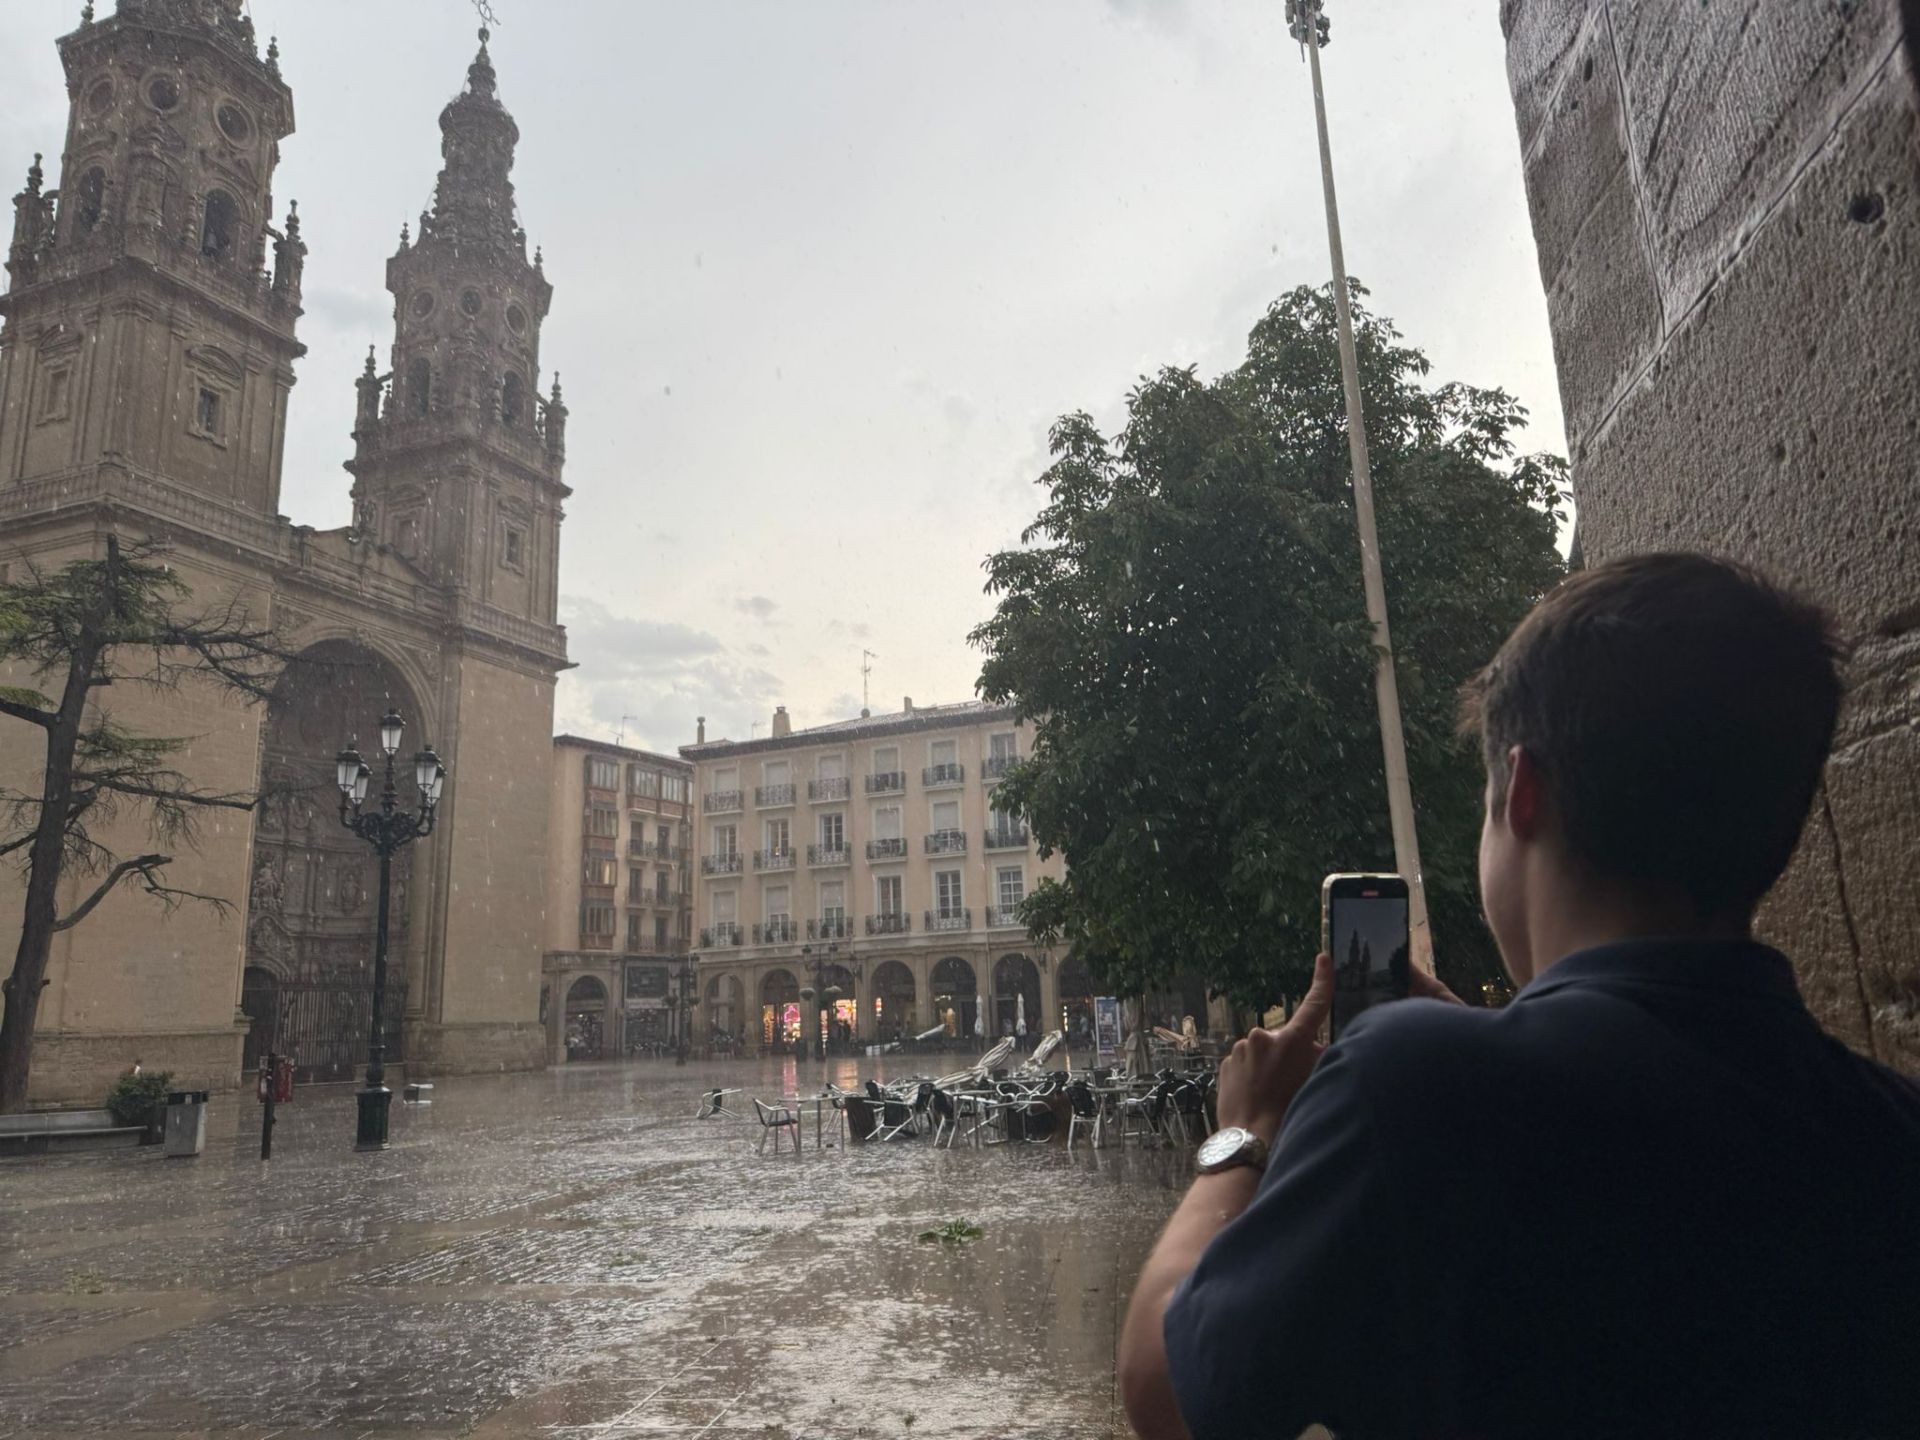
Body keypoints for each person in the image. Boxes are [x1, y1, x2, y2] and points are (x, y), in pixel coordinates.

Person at [1118, 554, 1920, 1439]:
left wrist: (1243, 1136)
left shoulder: (1412, 1084)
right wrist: (1505, 1046)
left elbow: (1170, 1398)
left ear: (1523, 794)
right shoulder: (1891, 1125)